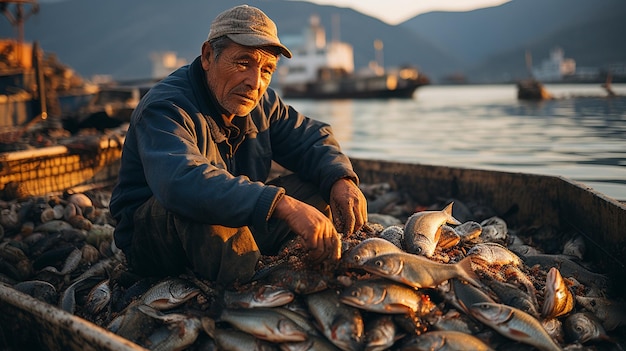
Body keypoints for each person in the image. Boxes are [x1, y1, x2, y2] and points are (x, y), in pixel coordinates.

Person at [109, 5, 368, 286]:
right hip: (152, 240)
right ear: (208, 56)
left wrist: (341, 178)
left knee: (320, 186)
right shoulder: (166, 106)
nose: (255, 82)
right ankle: (247, 293)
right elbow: (180, 182)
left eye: (267, 69)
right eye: (243, 62)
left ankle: (266, 261)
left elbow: (310, 137)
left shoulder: (261, 103)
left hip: (232, 217)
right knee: (205, 207)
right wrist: (283, 206)